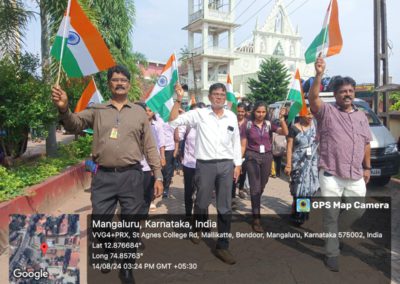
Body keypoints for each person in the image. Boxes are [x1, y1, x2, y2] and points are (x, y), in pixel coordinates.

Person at [51, 65, 163, 283]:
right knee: (100, 223)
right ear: (109, 84)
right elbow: (74, 124)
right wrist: (64, 109)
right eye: (115, 80)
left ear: (129, 85)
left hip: (132, 176)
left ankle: (127, 268)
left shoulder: (140, 113)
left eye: (123, 80)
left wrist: (158, 176)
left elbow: (150, 147)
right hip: (103, 177)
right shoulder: (97, 110)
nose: (119, 83)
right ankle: (110, 251)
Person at [308, 56, 372, 272]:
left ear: (354, 93)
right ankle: (332, 252)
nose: (347, 94)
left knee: (358, 210)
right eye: (343, 91)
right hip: (331, 174)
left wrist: (367, 167)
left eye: (350, 91)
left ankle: (334, 235)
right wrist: (319, 74)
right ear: (335, 95)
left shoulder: (362, 116)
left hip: (355, 173)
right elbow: (313, 97)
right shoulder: (327, 112)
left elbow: (366, 143)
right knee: (331, 214)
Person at [169, 83, 242, 265]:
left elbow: (235, 141)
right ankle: (198, 227)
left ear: (225, 98)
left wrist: (238, 164)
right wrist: (179, 99)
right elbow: (172, 121)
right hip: (205, 166)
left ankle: (223, 246)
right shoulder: (199, 114)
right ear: (209, 97)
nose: (219, 97)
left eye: (222, 95)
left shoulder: (231, 117)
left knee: (224, 207)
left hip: (226, 166)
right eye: (215, 94)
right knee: (201, 202)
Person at [240, 102, 288, 232]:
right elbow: (243, 144)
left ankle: (255, 201)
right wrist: (238, 162)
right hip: (252, 157)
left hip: (267, 157)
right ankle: (256, 219)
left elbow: (285, 132)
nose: (260, 114)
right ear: (253, 112)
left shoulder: (268, 125)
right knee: (255, 188)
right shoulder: (247, 125)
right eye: (258, 112)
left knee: (261, 186)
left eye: (263, 112)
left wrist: (282, 119)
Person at [284, 108, 319, 225]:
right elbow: (289, 147)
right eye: (308, 114)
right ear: (302, 114)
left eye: (312, 114)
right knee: (297, 189)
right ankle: (298, 213)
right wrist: (288, 164)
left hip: (312, 163)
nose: (310, 116)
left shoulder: (315, 127)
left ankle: (301, 213)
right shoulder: (294, 128)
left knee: (309, 188)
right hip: (298, 163)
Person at [178, 102, 206, 217]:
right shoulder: (187, 125)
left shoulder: (209, 126)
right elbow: (178, 137)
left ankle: (202, 219)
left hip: (205, 165)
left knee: (203, 193)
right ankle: (188, 215)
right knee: (189, 191)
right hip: (189, 164)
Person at [232, 102, 248, 204]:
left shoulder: (249, 123)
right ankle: (232, 196)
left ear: (245, 112)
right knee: (233, 176)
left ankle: (241, 189)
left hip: (246, 153)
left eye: (242, 111)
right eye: (239, 111)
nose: (240, 113)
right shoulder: (232, 121)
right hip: (233, 153)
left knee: (243, 173)